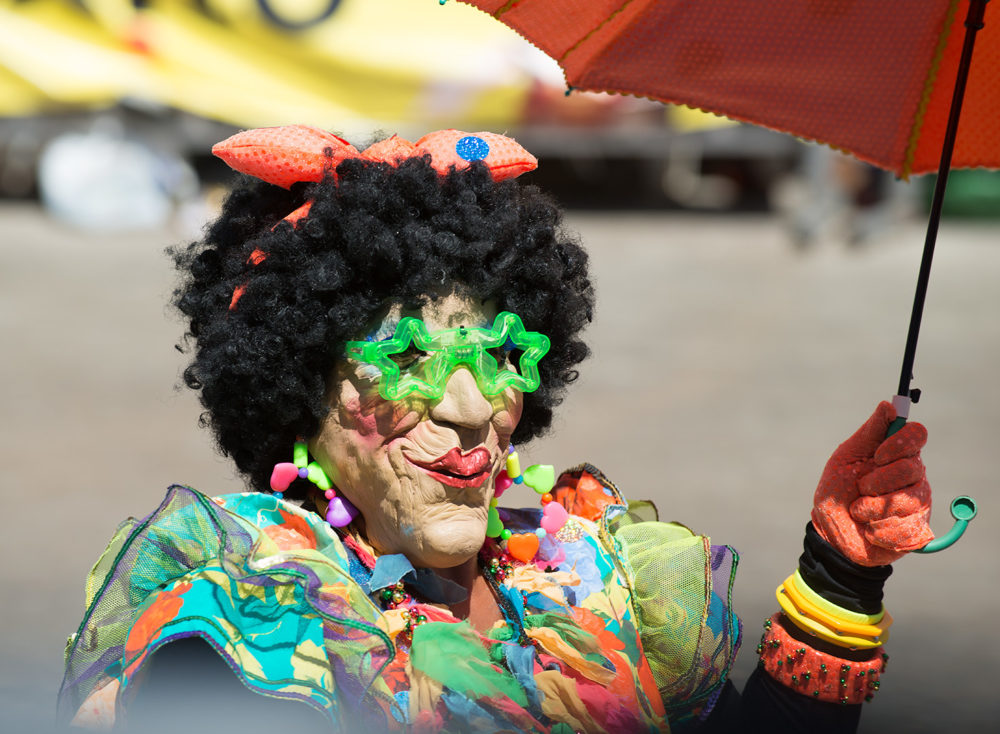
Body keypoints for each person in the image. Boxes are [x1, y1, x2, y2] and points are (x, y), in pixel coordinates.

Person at [58, 126, 933, 733]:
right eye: (406, 359)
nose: (473, 410)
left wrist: (840, 573)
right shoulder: (247, 617)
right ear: (296, 385)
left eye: (500, 354)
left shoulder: (585, 573)